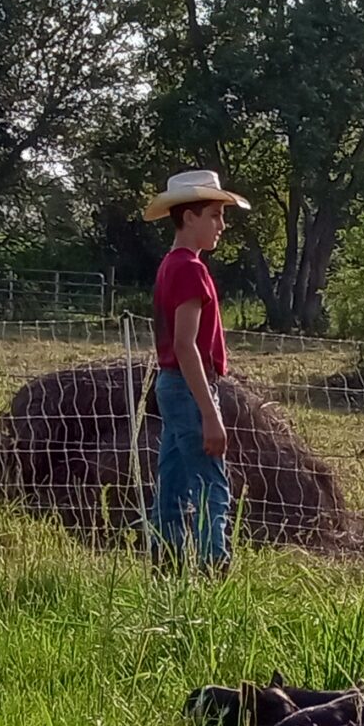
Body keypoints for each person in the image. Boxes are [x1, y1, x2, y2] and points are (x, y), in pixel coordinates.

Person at [144, 169, 250, 569]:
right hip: (191, 386)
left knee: (171, 482)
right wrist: (210, 413)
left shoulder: (170, 264)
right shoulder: (190, 269)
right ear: (189, 217)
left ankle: (165, 566)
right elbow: (186, 345)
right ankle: (213, 573)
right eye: (214, 215)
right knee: (211, 485)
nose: (221, 226)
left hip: (171, 385)